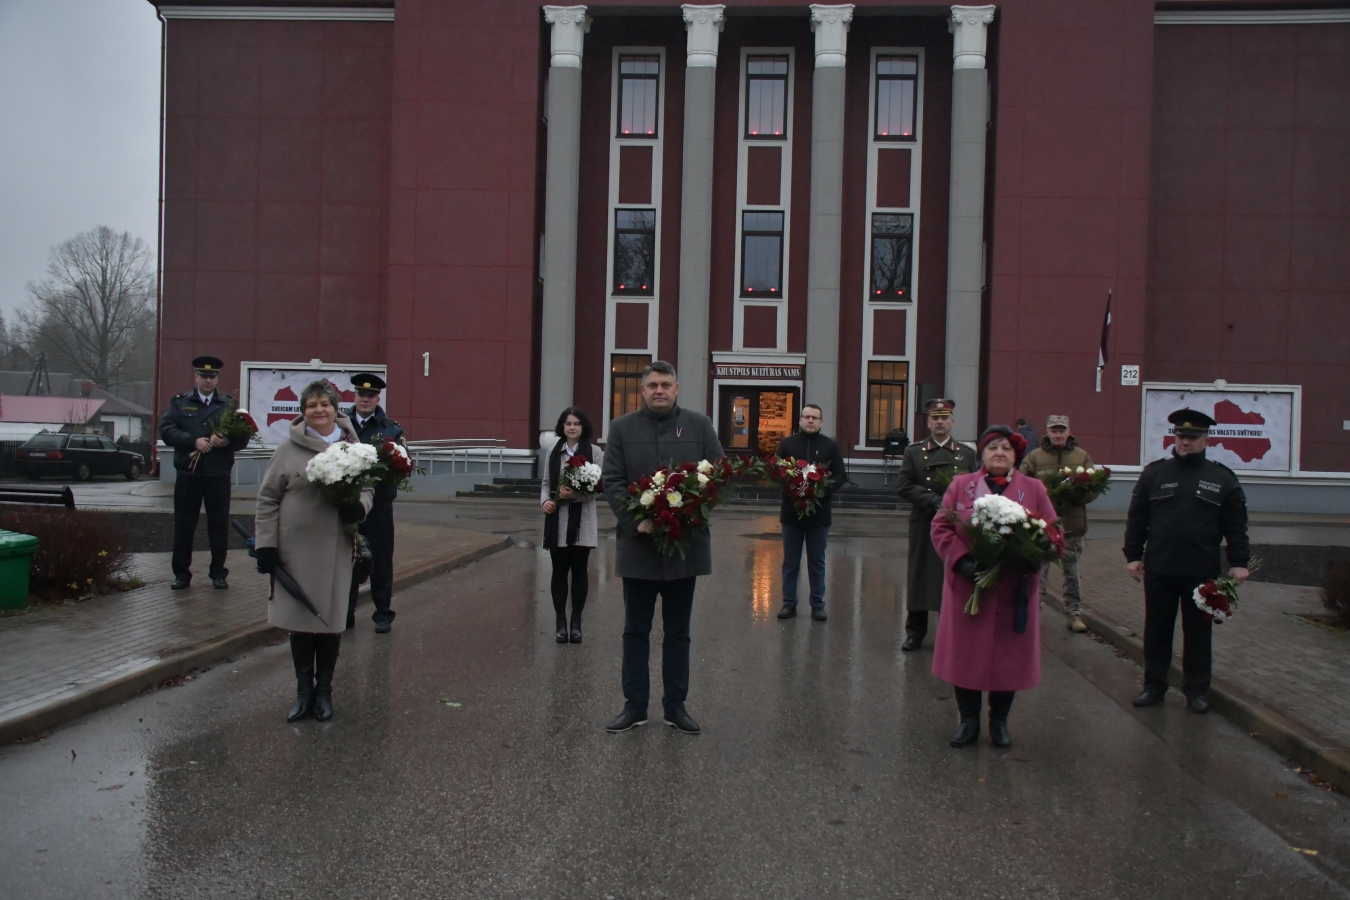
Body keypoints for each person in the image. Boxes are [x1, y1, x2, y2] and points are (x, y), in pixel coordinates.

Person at [601, 361, 723, 736]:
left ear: (677, 388)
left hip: (682, 549)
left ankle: (675, 706)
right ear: (642, 389)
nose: (659, 390)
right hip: (639, 547)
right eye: (652, 384)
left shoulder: (700, 425)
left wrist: (688, 513)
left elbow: (715, 473)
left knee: (678, 633)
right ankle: (634, 706)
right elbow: (613, 480)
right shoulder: (622, 428)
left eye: (666, 384)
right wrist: (635, 519)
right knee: (635, 631)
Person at [930, 425, 1058, 749]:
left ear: (1016, 455)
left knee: (1007, 659)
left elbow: (1054, 532)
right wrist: (962, 560)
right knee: (967, 657)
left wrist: (1034, 551)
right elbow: (941, 527)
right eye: (992, 448)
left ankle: (999, 722)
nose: (999, 453)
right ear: (982, 455)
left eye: (1006, 448)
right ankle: (968, 721)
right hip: (969, 588)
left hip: (1014, 589)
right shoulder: (962, 487)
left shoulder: (1034, 488)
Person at [254, 380, 373, 723]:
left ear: (336, 408)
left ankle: (324, 692)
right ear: (303, 411)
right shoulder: (287, 449)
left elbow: (369, 487)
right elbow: (268, 498)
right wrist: (266, 545)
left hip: (337, 546)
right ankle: (303, 693)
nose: (318, 410)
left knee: (331, 621)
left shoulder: (353, 446)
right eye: (311, 405)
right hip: (295, 550)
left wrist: (359, 508)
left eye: (324, 404)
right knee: (301, 623)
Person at [1124, 408, 1249, 715]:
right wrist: (1133, 556)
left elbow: (1236, 526)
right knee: (1156, 630)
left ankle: (1196, 691)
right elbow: (1137, 518)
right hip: (1160, 568)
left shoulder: (1221, 478)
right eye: (1181, 436)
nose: (1185, 442)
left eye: (1193, 438)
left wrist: (1239, 562)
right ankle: (1154, 686)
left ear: (1206, 440)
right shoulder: (1155, 474)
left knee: (1198, 634)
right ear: (1174, 437)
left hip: (1200, 569)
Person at [159, 356, 251, 591]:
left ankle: (218, 573)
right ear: (196, 377)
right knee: (184, 525)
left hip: (217, 473)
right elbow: (167, 430)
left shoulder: (229, 405)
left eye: (212, 377)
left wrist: (227, 441)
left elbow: (243, 437)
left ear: (217, 379)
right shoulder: (180, 403)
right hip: (189, 473)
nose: (208, 381)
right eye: (203, 376)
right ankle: (181, 574)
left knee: (218, 525)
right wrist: (193, 441)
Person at [896, 399, 978, 650]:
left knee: (952, 574)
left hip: (956, 526)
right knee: (920, 575)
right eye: (935, 418)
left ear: (952, 422)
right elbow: (903, 485)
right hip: (924, 522)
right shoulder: (913, 452)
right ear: (929, 422)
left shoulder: (966, 454)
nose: (940, 423)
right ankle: (915, 632)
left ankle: (950, 630)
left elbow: (975, 488)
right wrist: (933, 500)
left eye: (945, 418)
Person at [1019, 414, 1098, 633]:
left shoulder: (1082, 457)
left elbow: (1094, 488)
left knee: (1071, 572)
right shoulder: (1035, 457)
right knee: (1038, 571)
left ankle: (1074, 614)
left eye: (1062, 430)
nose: (1058, 434)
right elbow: (1021, 485)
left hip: (1073, 525)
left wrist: (1074, 496)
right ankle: (1035, 612)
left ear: (1068, 432)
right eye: (1054, 430)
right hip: (1041, 527)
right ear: (1047, 432)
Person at [774, 403, 847, 622]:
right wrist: (791, 487)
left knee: (817, 561)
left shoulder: (830, 446)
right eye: (807, 417)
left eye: (815, 418)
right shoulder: (787, 444)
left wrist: (821, 489)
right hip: (791, 514)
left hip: (819, 515)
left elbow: (840, 475)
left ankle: (817, 604)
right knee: (790, 562)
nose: (810, 421)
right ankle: (789, 604)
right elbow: (777, 473)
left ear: (821, 422)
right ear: (800, 420)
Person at [344, 373, 404, 634]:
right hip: (346, 505)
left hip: (378, 507)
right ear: (354, 396)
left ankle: (382, 613)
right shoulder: (341, 425)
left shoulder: (391, 428)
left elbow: (400, 468)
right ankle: (345, 613)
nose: (365, 399)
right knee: (346, 560)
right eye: (361, 395)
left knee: (380, 560)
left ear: (378, 398)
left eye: (370, 396)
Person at [541, 407, 603, 644]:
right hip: (557, 519)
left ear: (583, 426)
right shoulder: (553, 452)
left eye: (576, 423)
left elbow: (598, 488)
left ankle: (576, 621)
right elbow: (546, 482)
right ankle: (560, 622)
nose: (572, 427)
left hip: (583, 520)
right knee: (559, 571)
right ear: (562, 427)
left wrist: (575, 495)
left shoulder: (595, 453)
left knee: (579, 571)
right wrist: (546, 501)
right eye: (568, 423)